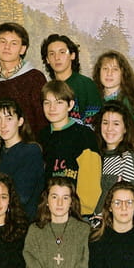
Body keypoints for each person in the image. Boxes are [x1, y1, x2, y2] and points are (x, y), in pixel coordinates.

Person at [38, 80, 101, 216]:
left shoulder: (84, 136)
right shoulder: (41, 137)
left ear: (70, 105)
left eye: (59, 102)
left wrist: (81, 213)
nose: (52, 108)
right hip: (46, 212)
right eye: (47, 103)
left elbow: (90, 184)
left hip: (76, 214)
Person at [0, 22, 48, 135]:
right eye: (3, 41)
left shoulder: (35, 78)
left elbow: (43, 121)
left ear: (22, 49)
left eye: (14, 43)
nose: (7, 47)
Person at [93, 100, 134, 214]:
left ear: (125, 128)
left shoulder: (127, 159)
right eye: (105, 123)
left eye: (116, 124)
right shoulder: (100, 156)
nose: (109, 128)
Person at [0, 99, 44, 220]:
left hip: (23, 221)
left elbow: (22, 196)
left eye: (9, 119)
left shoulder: (31, 151)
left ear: (20, 121)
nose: (3, 125)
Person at [41, 34, 102, 126]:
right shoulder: (48, 88)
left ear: (72, 55)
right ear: (47, 60)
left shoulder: (86, 84)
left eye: (62, 52)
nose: (57, 58)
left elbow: (95, 124)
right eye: (52, 54)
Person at [93, 50, 134, 129]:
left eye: (115, 69)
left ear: (123, 73)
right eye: (105, 68)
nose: (109, 73)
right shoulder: (92, 97)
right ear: (99, 72)